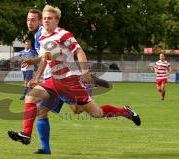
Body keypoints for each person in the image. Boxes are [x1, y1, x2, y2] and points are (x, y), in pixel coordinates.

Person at [8, 4, 141, 149]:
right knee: (30, 97)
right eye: (45, 18)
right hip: (53, 80)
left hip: (70, 81)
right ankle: (26, 134)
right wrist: (36, 76)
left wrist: (85, 72)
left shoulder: (63, 35)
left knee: (95, 113)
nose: (46, 21)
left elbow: (79, 52)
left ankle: (124, 111)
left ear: (56, 20)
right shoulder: (43, 38)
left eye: (49, 18)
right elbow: (46, 58)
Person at [9, 8, 86, 154]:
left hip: (62, 78)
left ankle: (88, 93)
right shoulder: (40, 36)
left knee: (78, 109)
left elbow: (49, 55)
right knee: (39, 110)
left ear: (40, 21)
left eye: (33, 20)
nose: (30, 23)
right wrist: (35, 62)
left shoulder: (43, 34)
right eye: (28, 19)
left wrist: (37, 72)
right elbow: (46, 56)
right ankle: (43, 147)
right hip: (51, 79)